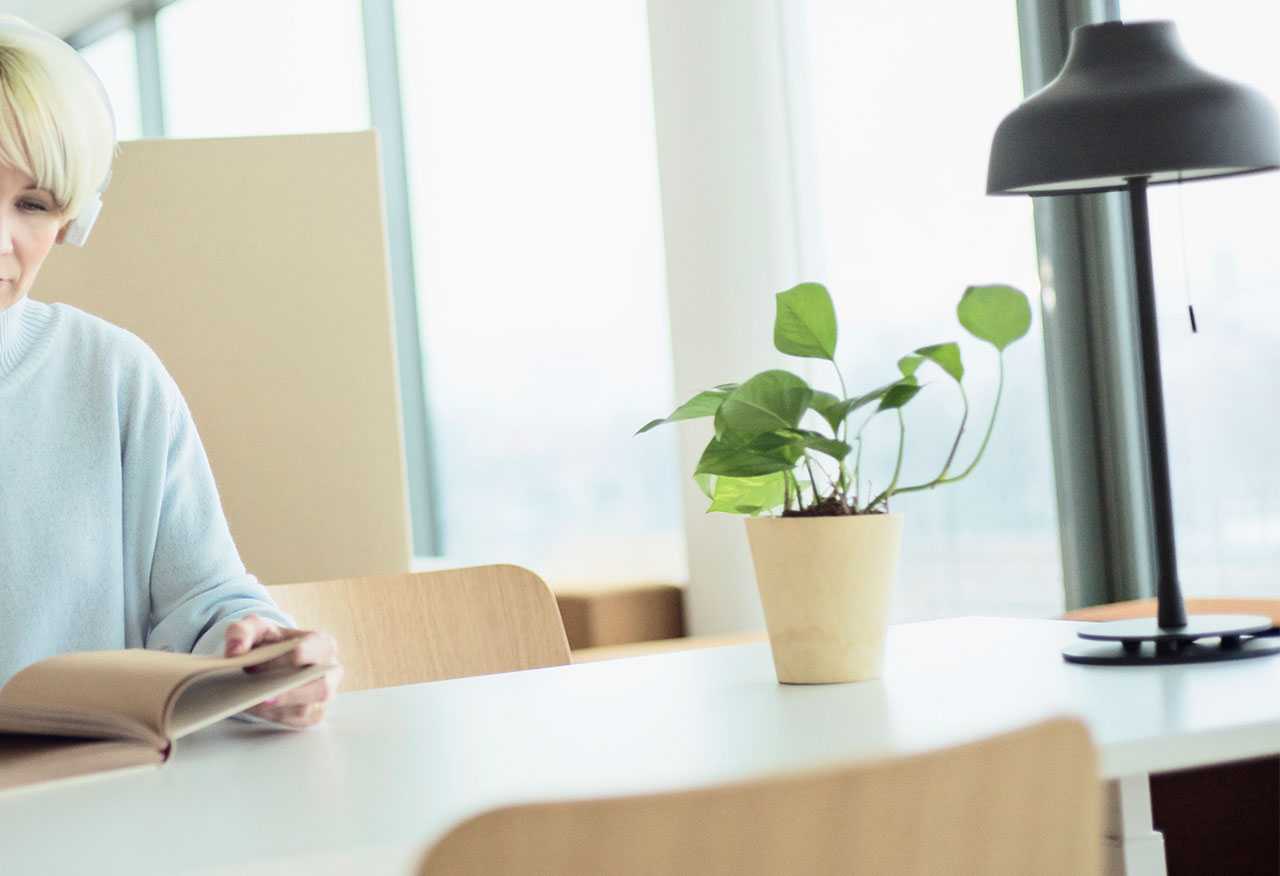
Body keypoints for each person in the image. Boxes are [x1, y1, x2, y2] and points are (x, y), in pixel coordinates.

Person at [0, 16, 341, 726]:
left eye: (32, 205)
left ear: (71, 223)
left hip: (92, 802)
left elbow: (204, 603)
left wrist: (258, 655)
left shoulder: (111, 375)